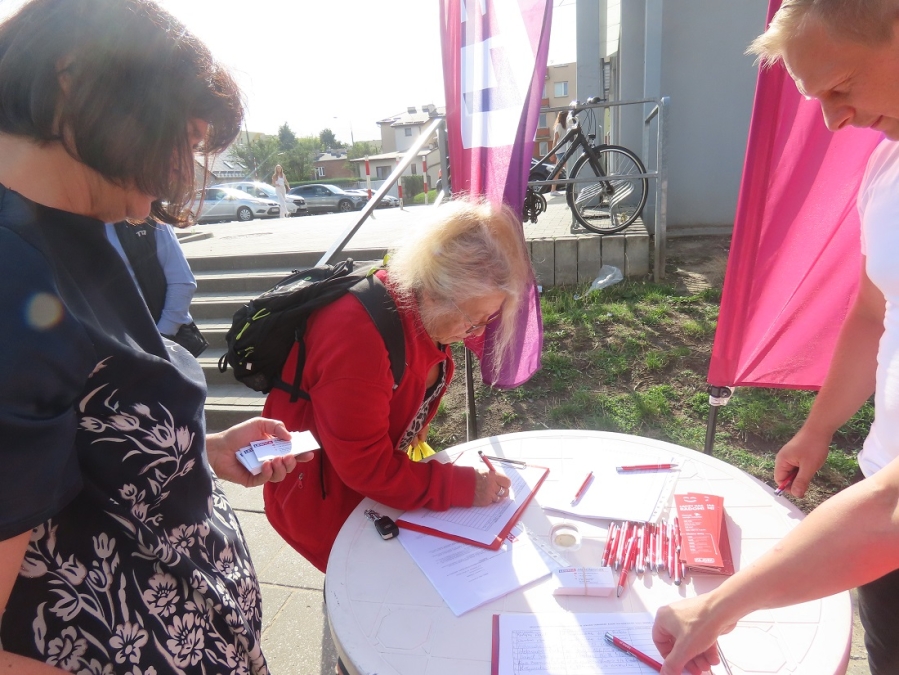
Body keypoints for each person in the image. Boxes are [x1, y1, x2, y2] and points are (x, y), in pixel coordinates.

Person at [0, 1, 312, 673]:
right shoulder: (11, 273)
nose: (180, 179)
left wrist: (193, 453)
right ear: (76, 78)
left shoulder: (71, 223)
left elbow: (84, 434)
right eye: (183, 139)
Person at [652, 2, 899, 674]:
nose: (833, 120)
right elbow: (871, 311)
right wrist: (818, 429)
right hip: (877, 489)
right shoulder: (884, 167)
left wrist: (716, 608)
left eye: (841, 86)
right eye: (818, 99)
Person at [263, 199, 533, 573]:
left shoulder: (420, 307)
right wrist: (463, 486)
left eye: (485, 320)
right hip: (324, 504)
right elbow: (366, 467)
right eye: (472, 320)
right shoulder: (357, 337)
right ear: (435, 290)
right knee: (360, 597)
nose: (474, 333)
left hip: (365, 497)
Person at [106, 220, 208, 356]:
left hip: (156, 339)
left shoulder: (149, 219)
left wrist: (161, 337)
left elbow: (182, 282)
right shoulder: (79, 226)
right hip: (106, 345)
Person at [550, 110, 570, 196]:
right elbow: (555, 140)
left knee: (557, 172)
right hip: (562, 151)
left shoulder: (565, 126)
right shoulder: (560, 126)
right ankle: (570, 189)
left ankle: (553, 190)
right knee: (569, 170)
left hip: (561, 151)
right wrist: (552, 153)